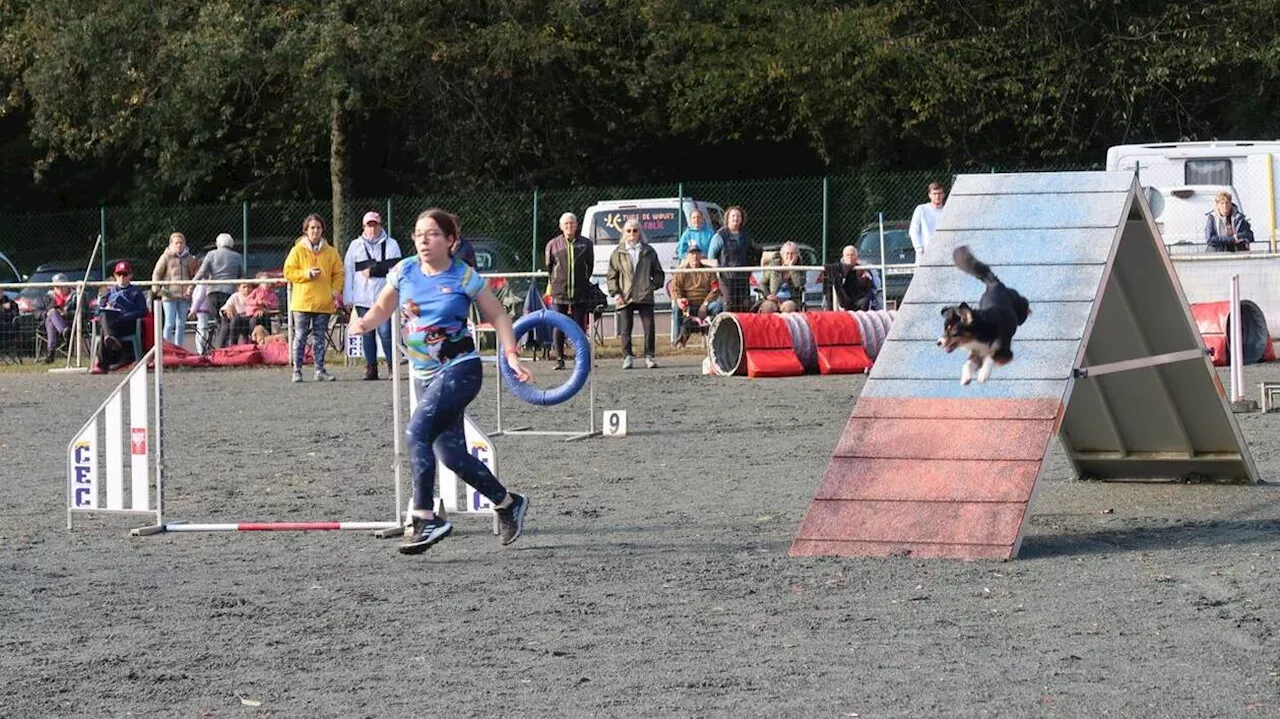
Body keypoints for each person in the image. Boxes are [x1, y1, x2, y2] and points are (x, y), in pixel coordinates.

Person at [347, 208, 532, 554]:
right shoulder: (403, 271)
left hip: (460, 368)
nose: (423, 241)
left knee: (416, 433)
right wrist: (364, 324)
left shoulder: (465, 277)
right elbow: (382, 309)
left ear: (450, 241)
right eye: (418, 234)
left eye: (432, 234)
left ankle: (425, 517)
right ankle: (508, 503)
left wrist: (511, 355)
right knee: (450, 455)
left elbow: (499, 314)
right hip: (423, 376)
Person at [283, 214, 344, 382]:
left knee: (319, 337)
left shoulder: (331, 252)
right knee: (300, 336)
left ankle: (320, 370)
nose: (315, 231)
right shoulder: (297, 251)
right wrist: (306, 274)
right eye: (312, 228)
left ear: (322, 230)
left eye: (318, 227)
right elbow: (288, 272)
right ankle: (297, 370)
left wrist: (334, 291)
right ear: (306, 230)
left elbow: (339, 273)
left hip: (323, 302)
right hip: (302, 302)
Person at [344, 211, 402, 380]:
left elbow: (395, 269)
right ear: (364, 227)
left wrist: (374, 270)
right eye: (369, 225)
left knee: (385, 333)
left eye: (375, 225)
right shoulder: (355, 246)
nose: (373, 229)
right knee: (366, 332)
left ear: (380, 225)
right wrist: (348, 297)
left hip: (384, 297)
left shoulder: (391, 244)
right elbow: (349, 271)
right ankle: (371, 367)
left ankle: (392, 366)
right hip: (362, 297)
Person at [606, 219, 665, 369]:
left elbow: (658, 273)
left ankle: (649, 356)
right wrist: (616, 293)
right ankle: (627, 356)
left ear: (640, 232)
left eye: (635, 230)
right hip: (625, 296)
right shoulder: (617, 253)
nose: (632, 233)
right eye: (628, 231)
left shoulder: (649, 251)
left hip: (645, 295)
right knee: (625, 329)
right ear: (624, 233)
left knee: (649, 327)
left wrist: (652, 285)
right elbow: (611, 276)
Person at [544, 212, 594, 370]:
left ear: (576, 225)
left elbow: (589, 266)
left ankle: (581, 357)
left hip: (580, 291)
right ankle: (559, 358)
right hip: (560, 291)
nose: (569, 227)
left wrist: (583, 280)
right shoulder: (553, 244)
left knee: (579, 325)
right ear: (561, 227)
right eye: (566, 224)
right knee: (558, 325)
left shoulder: (586, 244)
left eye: (572, 223)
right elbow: (549, 267)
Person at [91, 261, 149, 374]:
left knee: (105, 327)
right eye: (119, 274)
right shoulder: (108, 292)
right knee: (104, 316)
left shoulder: (136, 293)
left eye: (125, 274)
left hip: (126, 324)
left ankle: (102, 364)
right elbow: (98, 311)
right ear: (115, 276)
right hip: (110, 322)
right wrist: (105, 307)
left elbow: (142, 312)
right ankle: (110, 338)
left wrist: (124, 316)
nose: (122, 277)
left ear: (130, 276)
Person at [193, 232, 244, 348]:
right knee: (226, 320)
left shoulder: (211, 255)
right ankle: (227, 347)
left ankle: (220, 347)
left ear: (218, 243)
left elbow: (202, 271)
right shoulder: (237, 256)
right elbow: (242, 275)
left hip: (213, 291)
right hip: (230, 291)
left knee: (219, 321)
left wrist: (192, 284)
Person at [151, 232, 199, 347]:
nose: (179, 245)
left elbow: (195, 275)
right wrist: (157, 289)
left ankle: (179, 348)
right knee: (169, 323)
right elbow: (157, 273)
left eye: (181, 243)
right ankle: (166, 348)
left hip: (184, 296)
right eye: (176, 243)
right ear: (171, 244)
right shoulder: (166, 257)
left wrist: (191, 290)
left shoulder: (190, 258)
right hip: (169, 295)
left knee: (181, 324)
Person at [706, 206, 756, 312]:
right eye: (733, 216)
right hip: (726, 279)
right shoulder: (719, 236)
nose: (735, 218)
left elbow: (753, 254)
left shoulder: (746, 236)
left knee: (744, 305)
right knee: (728, 305)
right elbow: (711, 257)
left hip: (743, 278)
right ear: (727, 218)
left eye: (738, 216)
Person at [823, 245, 882, 311]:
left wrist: (864, 279)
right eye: (847, 255)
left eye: (852, 255)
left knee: (867, 300)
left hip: (859, 298)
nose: (850, 257)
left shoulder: (863, 268)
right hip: (843, 299)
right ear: (843, 257)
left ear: (857, 257)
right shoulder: (838, 269)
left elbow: (873, 285)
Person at [669, 245, 722, 320]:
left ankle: (714, 329)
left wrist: (705, 304)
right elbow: (675, 288)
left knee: (717, 306)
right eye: (692, 254)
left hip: (706, 303)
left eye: (697, 253)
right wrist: (679, 299)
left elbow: (715, 289)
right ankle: (678, 331)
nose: (695, 256)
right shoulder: (681, 271)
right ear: (687, 256)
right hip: (688, 304)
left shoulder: (709, 270)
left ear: (701, 255)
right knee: (677, 308)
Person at [757, 241, 807, 313]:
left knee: (788, 307)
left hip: (791, 299)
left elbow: (798, 284)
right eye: (787, 253)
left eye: (792, 254)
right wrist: (767, 295)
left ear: (797, 255)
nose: (789, 257)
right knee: (767, 307)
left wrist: (792, 268)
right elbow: (762, 283)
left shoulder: (801, 268)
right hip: (773, 298)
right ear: (782, 255)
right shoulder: (773, 266)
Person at [41, 273, 77, 363]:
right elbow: (38, 311)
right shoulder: (48, 296)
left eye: (62, 286)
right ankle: (64, 331)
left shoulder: (77, 295)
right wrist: (48, 313)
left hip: (72, 322)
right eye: (57, 287)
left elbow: (83, 311)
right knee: (52, 315)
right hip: (52, 323)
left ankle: (50, 353)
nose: (60, 289)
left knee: (51, 319)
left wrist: (67, 313)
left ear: (67, 285)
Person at [908, 181, 946, 259]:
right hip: (925, 252)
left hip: (943, 252)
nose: (937, 196)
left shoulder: (948, 210)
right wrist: (919, 248)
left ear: (943, 194)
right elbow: (913, 230)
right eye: (934, 194)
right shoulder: (921, 209)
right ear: (929, 195)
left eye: (939, 193)